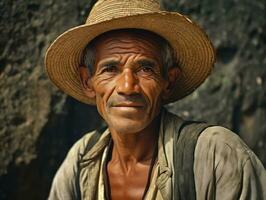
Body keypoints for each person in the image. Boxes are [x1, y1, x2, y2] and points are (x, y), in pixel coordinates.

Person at [45, 0, 266, 199]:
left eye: (145, 69)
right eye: (110, 69)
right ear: (87, 82)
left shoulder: (216, 155)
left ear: (168, 82)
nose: (127, 87)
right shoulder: (81, 161)